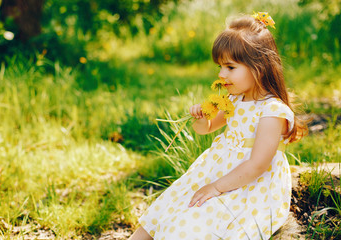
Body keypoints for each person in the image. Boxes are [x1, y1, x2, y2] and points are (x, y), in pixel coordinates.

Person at [129, 13, 307, 240]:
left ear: (259, 67)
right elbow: (207, 128)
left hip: (248, 185)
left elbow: (257, 165)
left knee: (194, 221)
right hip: (216, 170)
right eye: (221, 67)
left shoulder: (272, 111)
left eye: (230, 67)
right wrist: (202, 119)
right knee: (170, 203)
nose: (222, 75)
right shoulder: (235, 100)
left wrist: (216, 188)